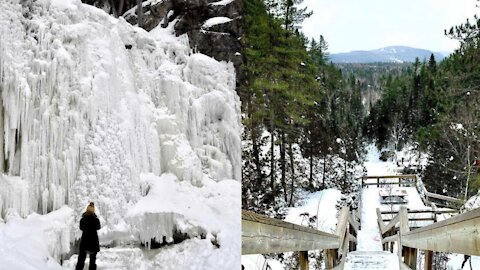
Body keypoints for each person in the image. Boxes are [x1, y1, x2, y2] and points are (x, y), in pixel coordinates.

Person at [76, 202, 101, 270]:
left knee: (81, 260)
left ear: (87, 210)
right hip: (93, 242)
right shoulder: (95, 220)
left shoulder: (83, 219)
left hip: (85, 242)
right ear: (93, 211)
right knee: (92, 261)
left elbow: (81, 228)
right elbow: (98, 227)